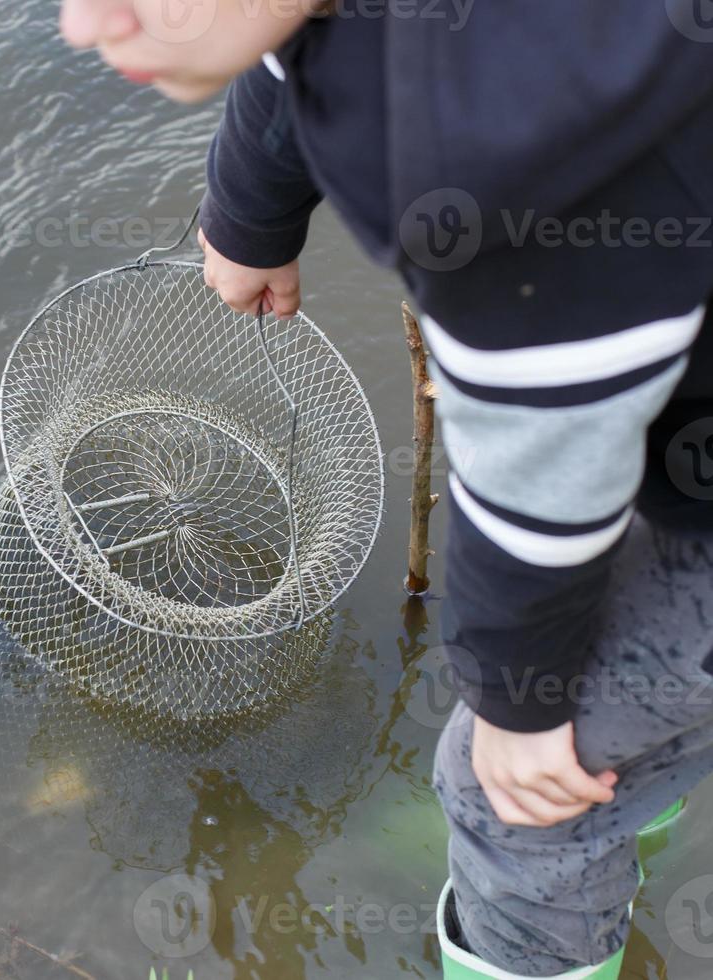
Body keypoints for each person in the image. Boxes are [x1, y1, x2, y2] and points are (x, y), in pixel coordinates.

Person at [57, 1, 713, 977]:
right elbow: (309, 38)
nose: (86, 23)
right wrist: (251, 212)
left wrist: (515, 709)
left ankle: (580, 827)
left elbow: (541, 489)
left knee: (507, 796)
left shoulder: (482, 168)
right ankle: (637, 793)